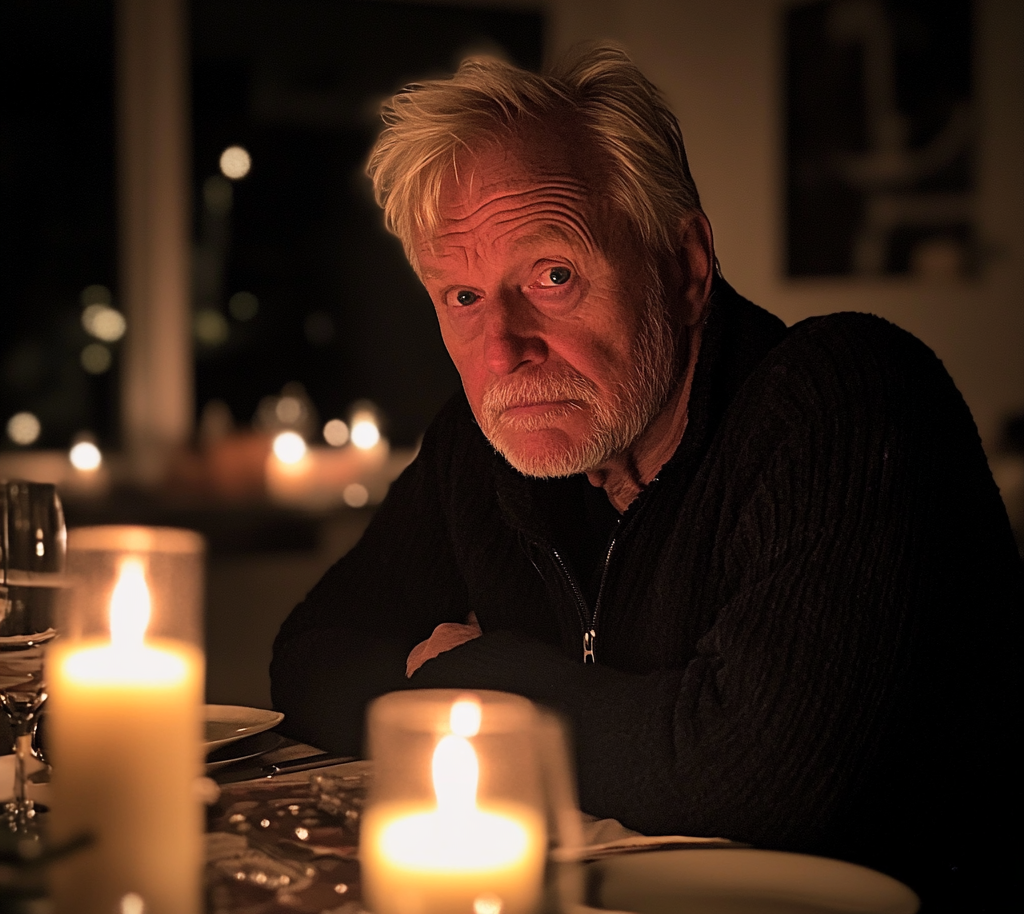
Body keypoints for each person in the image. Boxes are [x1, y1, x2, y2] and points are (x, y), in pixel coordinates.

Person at [271, 45, 1020, 909]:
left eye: (552, 276)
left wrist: (481, 677)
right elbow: (310, 660)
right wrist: (628, 723)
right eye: (462, 297)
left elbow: (749, 780)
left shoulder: (849, 393)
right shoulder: (480, 449)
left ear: (687, 267)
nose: (503, 351)